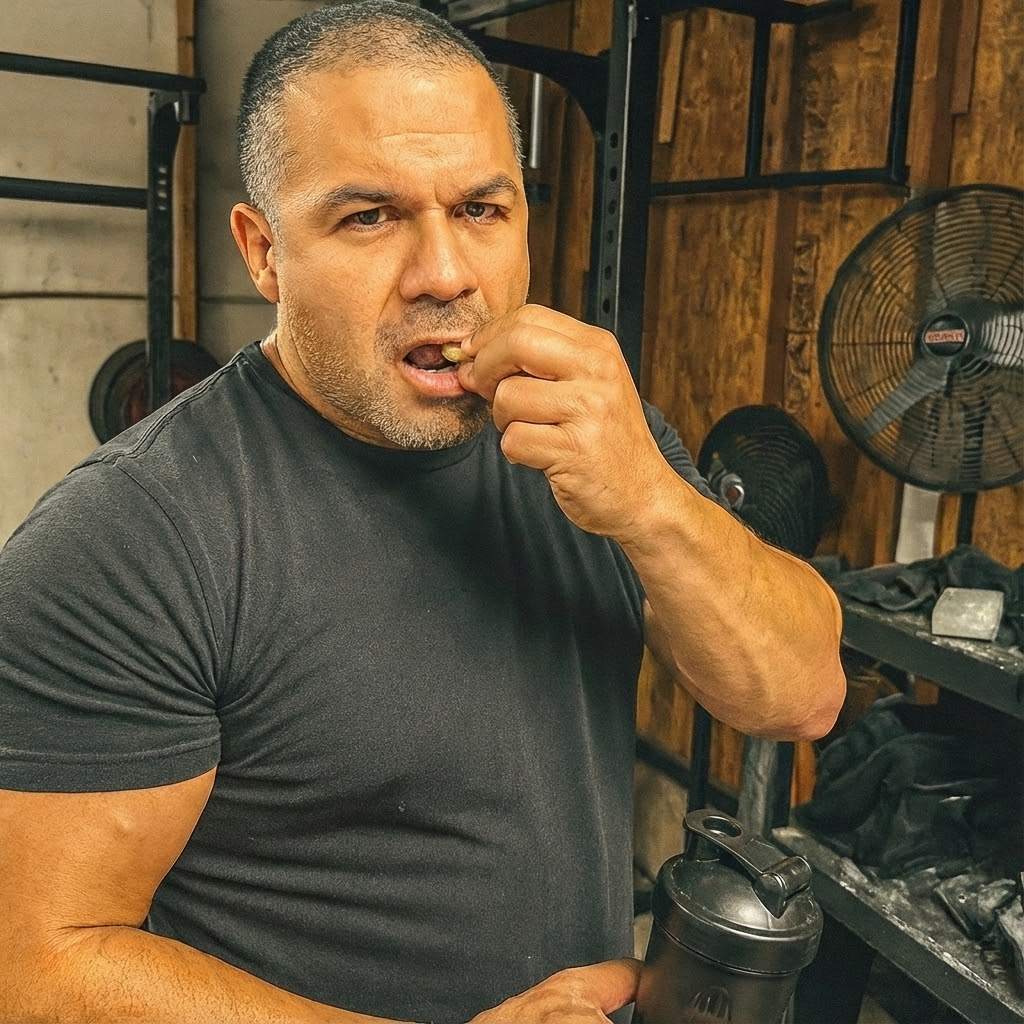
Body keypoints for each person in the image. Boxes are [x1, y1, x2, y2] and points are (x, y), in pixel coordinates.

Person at [0, 3, 845, 1022]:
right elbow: (38, 965)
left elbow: (797, 697)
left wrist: (655, 503)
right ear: (263, 254)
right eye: (369, 217)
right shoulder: (136, 538)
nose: (445, 275)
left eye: (483, 210)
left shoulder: (595, 445)